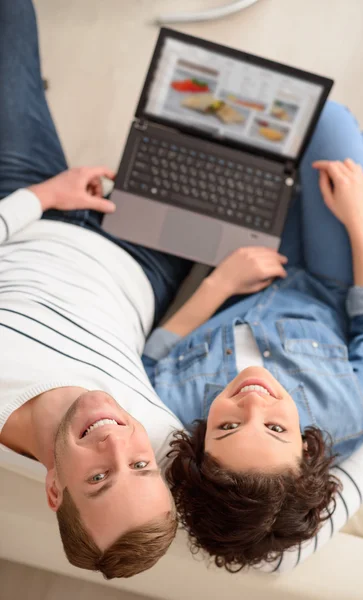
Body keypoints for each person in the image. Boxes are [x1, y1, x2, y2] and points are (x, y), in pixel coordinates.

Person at [142, 101, 363, 571]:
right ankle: (317, 192)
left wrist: (218, 283)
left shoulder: (169, 403)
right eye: (277, 428)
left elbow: (152, 355)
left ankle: (303, 192)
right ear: (305, 449)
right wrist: (358, 217)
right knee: (351, 132)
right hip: (328, 282)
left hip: (251, 272)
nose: (254, 401)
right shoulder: (349, 411)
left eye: (228, 426)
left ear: (198, 443)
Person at [0, 0, 193, 579]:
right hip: (146, 259)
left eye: (98, 479)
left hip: (31, 210)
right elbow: (276, 542)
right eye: (139, 466)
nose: (116, 444)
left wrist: (46, 196)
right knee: (219, 111)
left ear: (55, 490)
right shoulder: (164, 438)